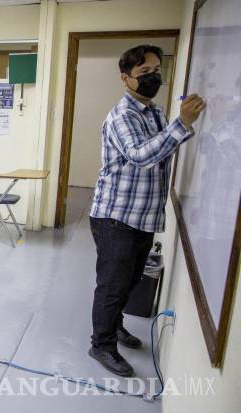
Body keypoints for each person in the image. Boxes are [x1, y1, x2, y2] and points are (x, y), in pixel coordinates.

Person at [88, 45, 205, 377]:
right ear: (125, 78)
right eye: (144, 72)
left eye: (156, 70)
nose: (153, 77)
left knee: (129, 282)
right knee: (112, 285)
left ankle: (115, 326)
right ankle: (101, 344)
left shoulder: (154, 112)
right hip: (116, 217)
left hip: (143, 215)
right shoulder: (122, 116)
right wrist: (182, 123)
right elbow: (141, 155)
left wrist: (181, 124)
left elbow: (164, 147)